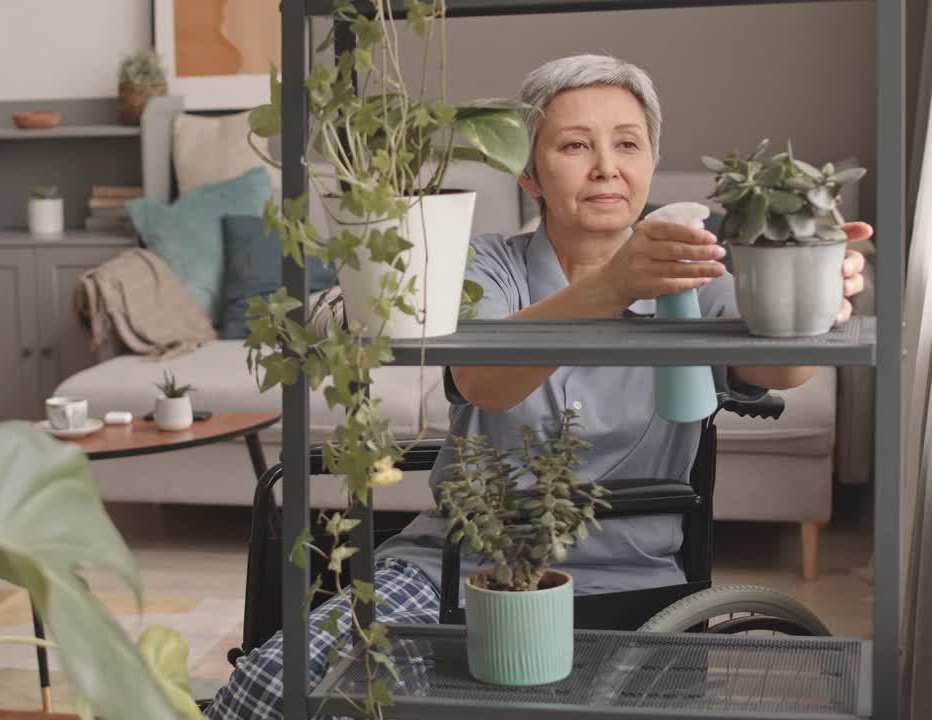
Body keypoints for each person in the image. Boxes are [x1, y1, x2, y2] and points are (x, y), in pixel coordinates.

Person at [204, 53, 871, 719]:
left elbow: (782, 370)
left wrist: (813, 293)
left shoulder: (696, 274)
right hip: (458, 568)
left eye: (628, 144)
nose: (606, 166)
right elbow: (486, 382)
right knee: (275, 681)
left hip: (630, 582)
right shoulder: (484, 264)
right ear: (529, 173)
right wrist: (613, 287)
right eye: (575, 145)